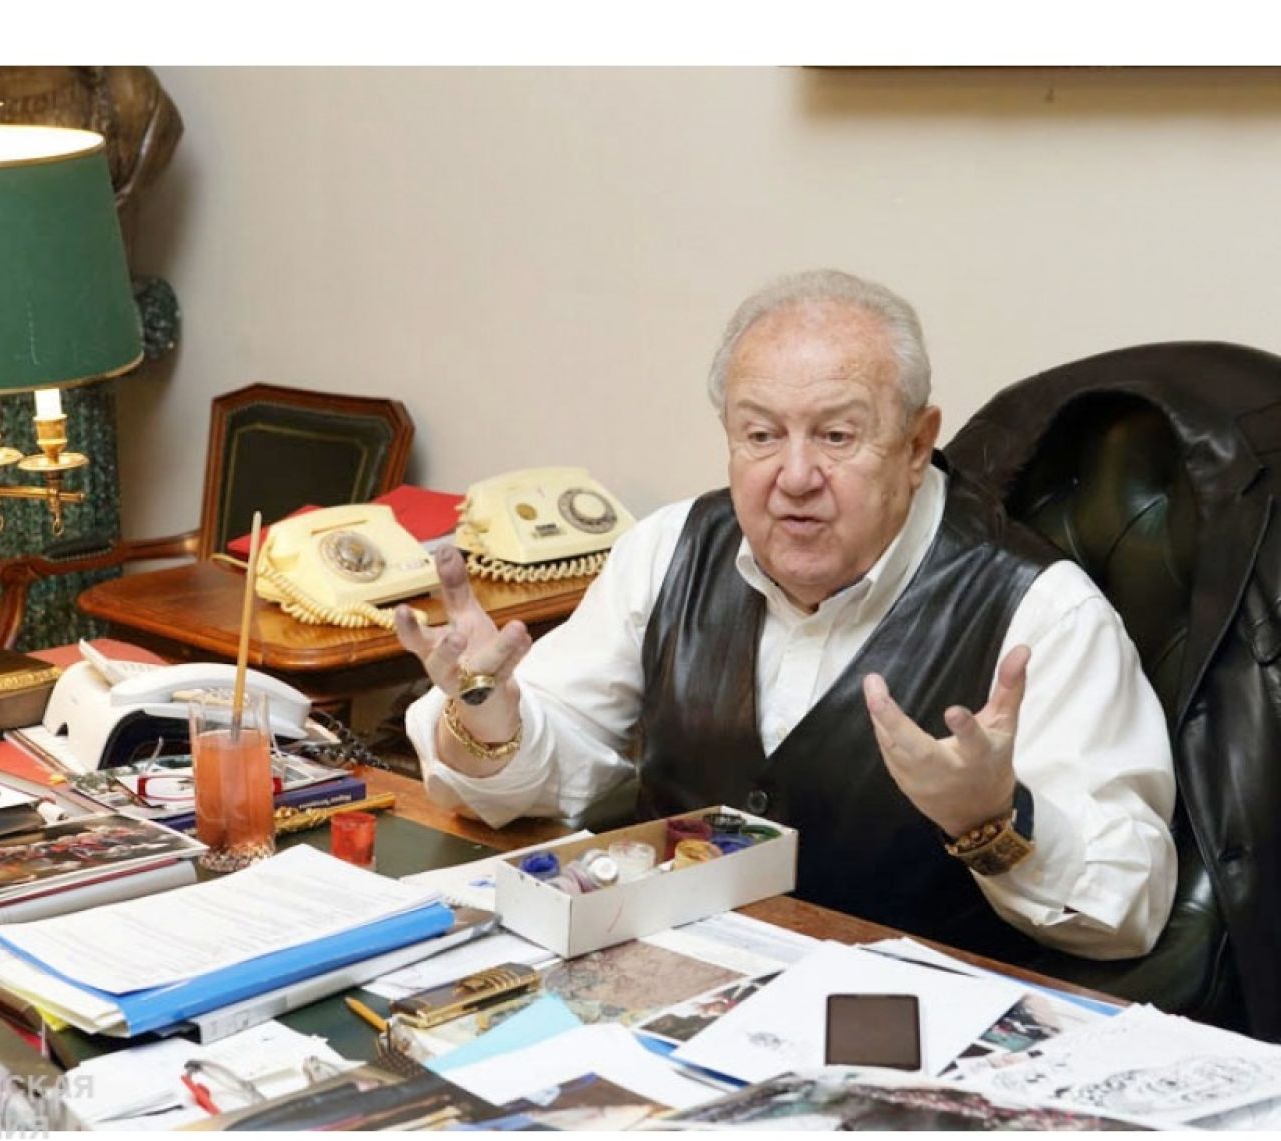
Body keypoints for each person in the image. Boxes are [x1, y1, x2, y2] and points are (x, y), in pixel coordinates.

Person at [395, 269, 1176, 963]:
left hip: (908, 1031)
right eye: (761, 435)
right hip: (666, 984)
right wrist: (486, 721)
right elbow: (557, 757)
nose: (795, 476)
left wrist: (993, 819)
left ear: (916, 444)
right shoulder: (669, 549)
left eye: (836, 435)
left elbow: (1129, 906)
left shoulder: (1043, 610)